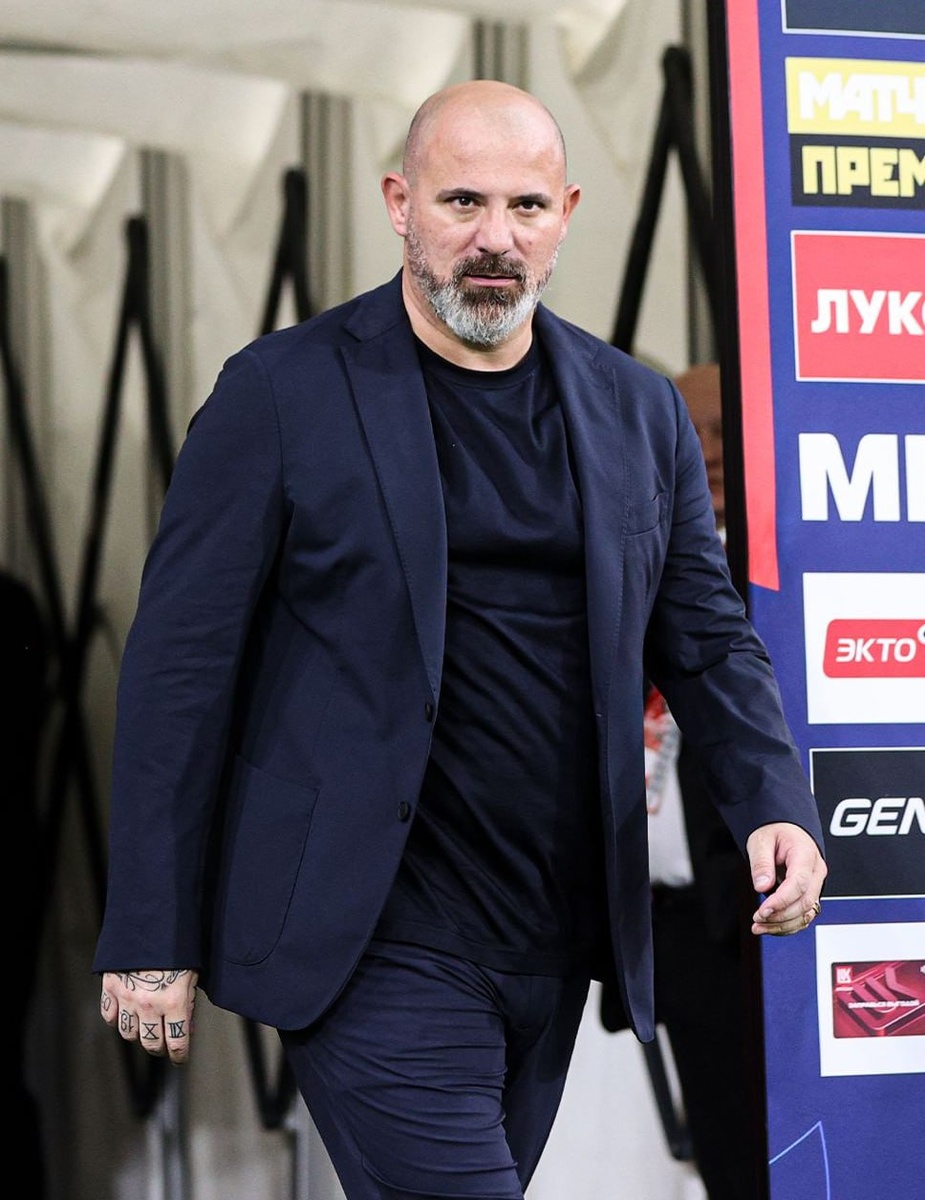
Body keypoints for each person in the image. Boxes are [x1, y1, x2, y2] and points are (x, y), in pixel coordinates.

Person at [94, 80, 827, 1200]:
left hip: (552, 938)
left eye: (525, 206)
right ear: (400, 203)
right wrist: (151, 927)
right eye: (462, 201)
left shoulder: (637, 410)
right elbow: (178, 674)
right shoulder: (280, 394)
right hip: (368, 935)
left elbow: (706, 638)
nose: (495, 238)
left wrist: (772, 800)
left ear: (566, 214)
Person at [600, 362, 758, 1199]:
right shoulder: (623, 560)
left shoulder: (788, 575)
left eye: (724, 430)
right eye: (692, 434)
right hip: (670, 927)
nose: (708, 450)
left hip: (755, 923)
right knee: (723, 1155)